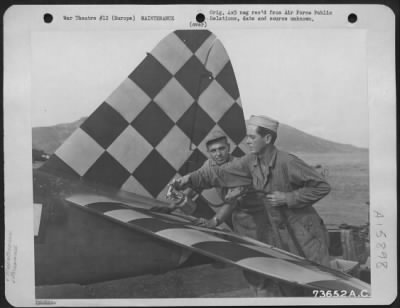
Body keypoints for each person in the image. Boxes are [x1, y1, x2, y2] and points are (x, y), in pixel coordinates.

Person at [173, 115, 332, 296]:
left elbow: (321, 186)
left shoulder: (287, 161)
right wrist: (188, 179)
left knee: (319, 284)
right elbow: (219, 174)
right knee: (289, 284)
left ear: (267, 139)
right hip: (279, 233)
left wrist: (289, 197)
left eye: (252, 137)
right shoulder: (249, 162)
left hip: (305, 232)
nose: (247, 142)